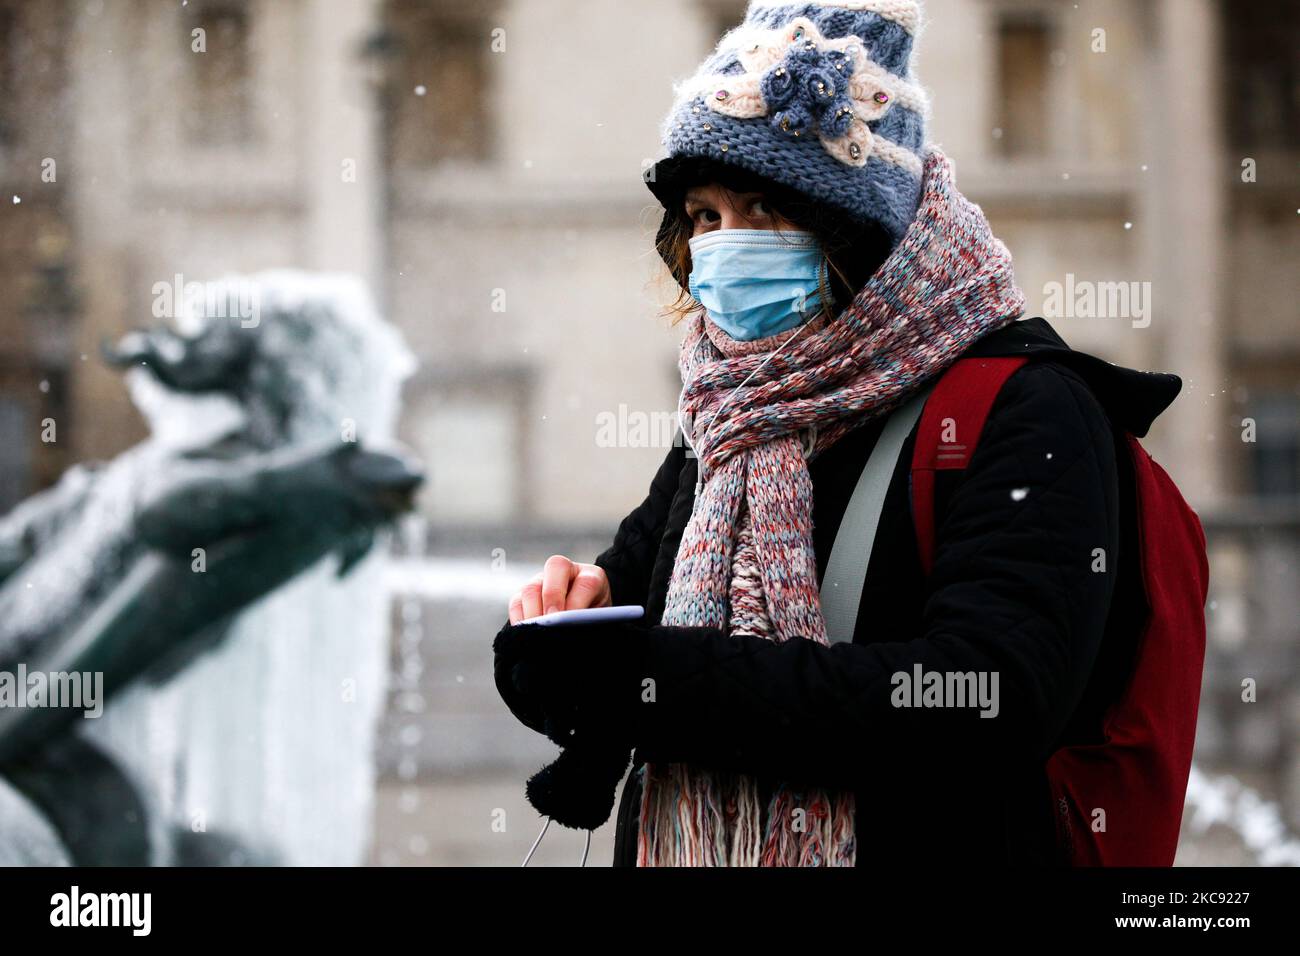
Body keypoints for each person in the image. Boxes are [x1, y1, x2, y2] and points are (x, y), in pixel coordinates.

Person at [494, 0, 1180, 866]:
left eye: (762, 211)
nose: (721, 248)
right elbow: (627, 632)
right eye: (703, 217)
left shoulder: (1025, 408)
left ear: (858, 230)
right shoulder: (731, 415)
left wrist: (649, 681)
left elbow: (986, 695)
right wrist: (547, 643)